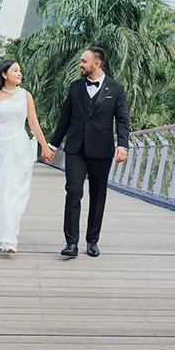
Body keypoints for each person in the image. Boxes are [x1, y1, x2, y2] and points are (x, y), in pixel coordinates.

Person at [46, 46, 129, 258]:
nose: (81, 65)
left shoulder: (116, 89)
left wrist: (123, 145)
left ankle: (92, 241)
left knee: (98, 195)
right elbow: (64, 119)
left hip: (102, 150)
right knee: (73, 192)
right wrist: (52, 146)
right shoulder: (74, 87)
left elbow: (121, 119)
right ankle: (71, 243)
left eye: (84, 61)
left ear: (97, 64)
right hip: (75, 149)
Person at [0, 59, 54, 254]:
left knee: (15, 190)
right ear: (4, 74)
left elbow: (33, 124)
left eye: (20, 70)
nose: (19, 74)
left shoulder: (25, 96)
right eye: (15, 70)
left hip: (19, 147)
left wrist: (45, 147)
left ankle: (10, 238)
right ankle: (1, 235)